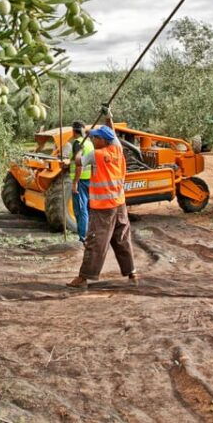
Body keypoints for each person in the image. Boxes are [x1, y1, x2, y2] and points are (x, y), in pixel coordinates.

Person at [67, 106, 138, 289]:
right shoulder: (117, 150)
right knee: (122, 239)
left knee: (95, 242)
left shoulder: (96, 155)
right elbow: (112, 136)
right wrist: (109, 117)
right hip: (119, 205)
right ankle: (132, 274)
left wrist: (78, 148)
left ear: (101, 141)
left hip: (103, 207)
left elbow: (77, 161)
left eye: (95, 137)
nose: (93, 138)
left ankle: (84, 278)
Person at [66, 121, 94, 242]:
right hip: (89, 179)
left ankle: (83, 237)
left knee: (80, 210)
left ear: (73, 131)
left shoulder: (78, 143)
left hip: (81, 180)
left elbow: (79, 165)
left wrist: (75, 182)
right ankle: (89, 234)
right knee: (87, 209)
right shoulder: (89, 143)